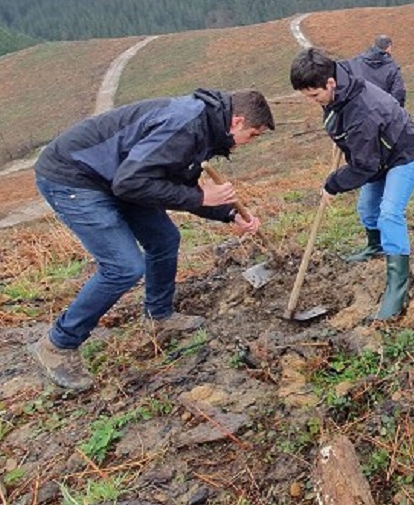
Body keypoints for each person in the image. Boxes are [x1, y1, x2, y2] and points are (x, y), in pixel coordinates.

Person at [30, 88, 274, 390]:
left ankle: (159, 318)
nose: (248, 144)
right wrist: (200, 195)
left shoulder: (206, 128)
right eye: (252, 135)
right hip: (75, 176)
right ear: (237, 121)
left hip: (117, 177)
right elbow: (132, 183)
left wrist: (228, 214)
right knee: (123, 267)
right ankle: (57, 346)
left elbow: (172, 186)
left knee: (164, 239)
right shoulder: (185, 126)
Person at [290, 47, 414, 319]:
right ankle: (376, 246)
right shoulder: (339, 81)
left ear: (330, 83)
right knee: (367, 209)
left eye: (315, 95)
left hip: (404, 155)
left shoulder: (362, 110)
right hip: (379, 152)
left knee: (389, 213)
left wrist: (333, 183)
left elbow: (365, 166)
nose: (313, 101)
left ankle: (397, 288)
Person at [346, 34, 406, 107]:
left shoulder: (356, 61)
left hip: (360, 109)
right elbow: (398, 93)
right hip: (382, 111)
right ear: (389, 48)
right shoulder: (392, 68)